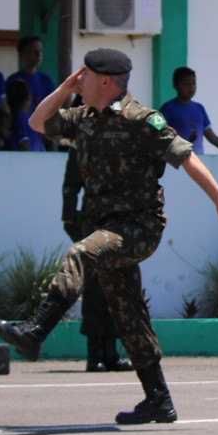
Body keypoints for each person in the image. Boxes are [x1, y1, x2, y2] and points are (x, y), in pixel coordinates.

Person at [0, 48, 218, 424]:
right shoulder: (83, 117)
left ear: (105, 81)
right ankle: (158, 400)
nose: (78, 83)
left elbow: (186, 156)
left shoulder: (142, 119)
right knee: (128, 312)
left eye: (83, 77)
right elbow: (36, 122)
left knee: (81, 254)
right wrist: (66, 85)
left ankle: (36, 330)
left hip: (139, 226)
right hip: (105, 225)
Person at [62, 135, 131, 372]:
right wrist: (68, 216)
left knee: (117, 286)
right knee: (94, 288)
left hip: (120, 220)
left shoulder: (125, 135)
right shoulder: (82, 137)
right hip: (92, 220)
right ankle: (95, 354)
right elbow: (71, 183)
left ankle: (112, 352)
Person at [159, 67, 218, 155]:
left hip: (198, 161)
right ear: (175, 85)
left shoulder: (199, 108)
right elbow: (156, 130)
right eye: (186, 84)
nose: (191, 87)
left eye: (193, 83)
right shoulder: (167, 108)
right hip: (177, 162)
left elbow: (212, 137)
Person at [4, 78, 45, 152]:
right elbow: (24, 145)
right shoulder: (21, 119)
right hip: (32, 162)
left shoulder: (24, 119)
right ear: (28, 97)